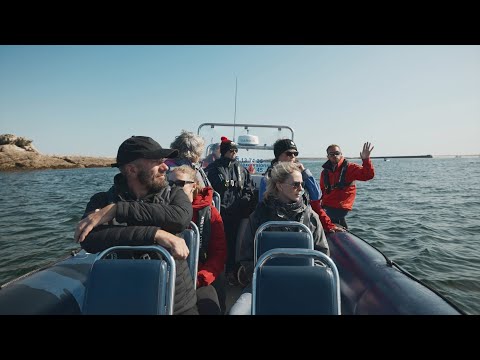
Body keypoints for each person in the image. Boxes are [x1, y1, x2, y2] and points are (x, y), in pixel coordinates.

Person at [74, 135, 198, 315]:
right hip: (125, 299)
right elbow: (89, 240)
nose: (165, 167)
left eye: (164, 161)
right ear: (131, 169)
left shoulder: (174, 195)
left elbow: (181, 219)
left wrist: (118, 210)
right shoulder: (101, 201)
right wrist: (156, 234)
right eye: (157, 162)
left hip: (177, 302)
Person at [229, 161, 329, 315]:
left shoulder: (310, 217)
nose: (301, 189)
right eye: (295, 184)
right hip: (265, 281)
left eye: (302, 184)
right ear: (280, 185)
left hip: (303, 283)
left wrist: (304, 278)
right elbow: (247, 256)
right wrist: (262, 277)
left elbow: (322, 254)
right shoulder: (259, 215)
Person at [170, 165, 227, 314]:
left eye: (179, 184)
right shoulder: (163, 211)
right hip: (171, 277)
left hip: (200, 277)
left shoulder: (209, 213)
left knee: (210, 307)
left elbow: (219, 254)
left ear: (193, 185)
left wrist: (201, 278)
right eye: (169, 184)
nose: (173, 188)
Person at [258, 138, 344, 233]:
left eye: (295, 154)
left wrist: (305, 172)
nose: (293, 156)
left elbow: (316, 196)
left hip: (301, 222)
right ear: (278, 155)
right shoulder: (268, 178)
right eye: (289, 153)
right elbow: (264, 204)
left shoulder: (301, 175)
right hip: (276, 224)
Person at [204, 136, 255, 285]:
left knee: (233, 244)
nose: (233, 153)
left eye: (235, 150)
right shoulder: (212, 169)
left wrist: (243, 202)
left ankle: (231, 272)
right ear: (224, 151)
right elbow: (207, 189)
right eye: (231, 150)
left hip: (236, 214)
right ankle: (215, 272)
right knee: (215, 244)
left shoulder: (242, 170)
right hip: (218, 213)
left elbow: (249, 189)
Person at [320, 142, 375, 229]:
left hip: (340, 206)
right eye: (331, 154)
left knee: (323, 220)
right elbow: (322, 190)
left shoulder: (350, 168)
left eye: (337, 153)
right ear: (328, 156)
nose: (335, 156)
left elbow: (368, 175)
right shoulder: (325, 172)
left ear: (341, 154)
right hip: (327, 205)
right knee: (316, 215)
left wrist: (366, 159)